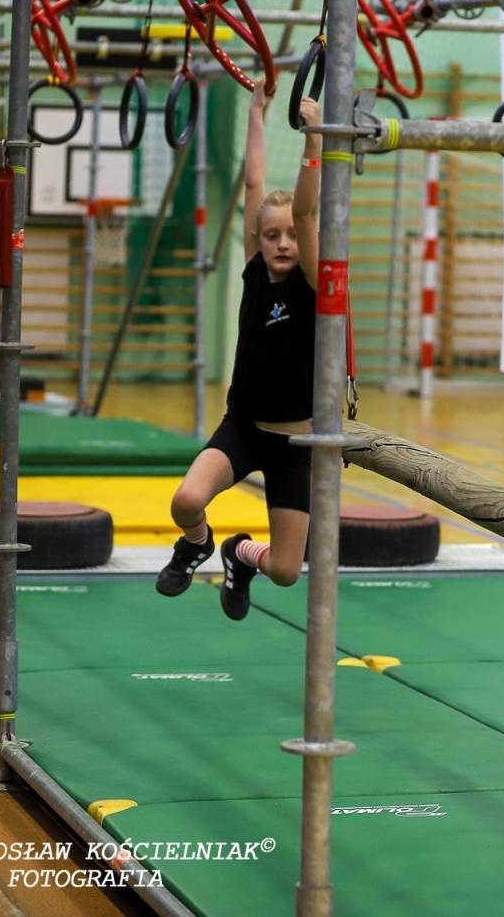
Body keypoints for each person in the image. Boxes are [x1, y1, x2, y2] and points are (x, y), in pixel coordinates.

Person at [156, 85, 322, 620]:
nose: (281, 244)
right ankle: (199, 542)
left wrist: (314, 139)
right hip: (244, 429)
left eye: (290, 236)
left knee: (286, 571)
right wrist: (255, 112)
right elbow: (254, 180)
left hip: (297, 444)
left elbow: (307, 209)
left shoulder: (312, 286)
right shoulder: (255, 271)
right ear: (258, 238)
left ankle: (238, 554)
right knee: (185, 501)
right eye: (270, 235)